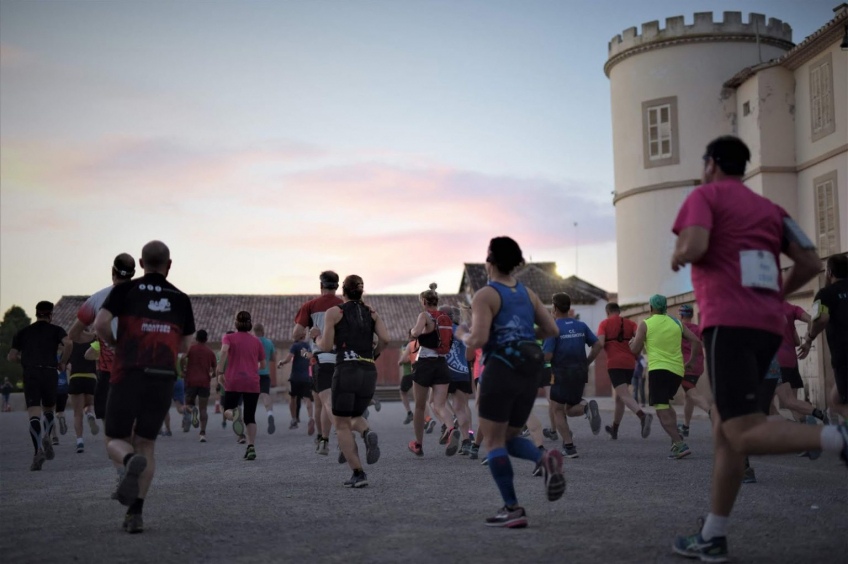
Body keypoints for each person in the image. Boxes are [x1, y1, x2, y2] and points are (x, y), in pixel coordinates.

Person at [669, 136, 847, 561]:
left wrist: (678, 254)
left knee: (740, 430)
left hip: (728, 323)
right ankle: (714, 535)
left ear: (711, 163)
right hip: (765, 326)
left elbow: (694, 246)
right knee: (726, 433)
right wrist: (772, 296)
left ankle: (837, 438)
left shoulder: (705, 195)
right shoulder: (772, 210)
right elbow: (811, 262)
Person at [455, 236, 564, 528]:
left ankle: (512, 507)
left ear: (489, 262)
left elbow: (478, 339)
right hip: (529, 370)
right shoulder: (528, 294)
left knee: (491, 440)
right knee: (509, 438)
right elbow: (552, 328)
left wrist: (461, 334)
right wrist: (523, 335)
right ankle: (544, 460)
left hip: (500, 369)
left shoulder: (485, 295)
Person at [93, 240, 195, 534]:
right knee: (147, 443)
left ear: (140, 263)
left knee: (114, 437)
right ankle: (135, 513)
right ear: (169, 265)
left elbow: (100, 324)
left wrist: (115, 344)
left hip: (128, 371)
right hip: (162, 375)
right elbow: (186, 345)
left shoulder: (123, 290)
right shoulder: (181, 298)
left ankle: (127, 460)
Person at [316, 275, 389, 487]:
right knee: (355, 416)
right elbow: (385, 339)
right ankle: (367, 431)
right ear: (361, 291)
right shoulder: (372, 313)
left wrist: (315, 338)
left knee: (340, 423)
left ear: (343, 291)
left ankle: (358, 473)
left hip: (346, 370)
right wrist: (373, 355)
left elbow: (327, 345)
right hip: (368, 370)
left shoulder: (335, 312)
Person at [629, 294, 701, 459]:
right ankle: (675, 440)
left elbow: (635, 350)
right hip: (677, 371)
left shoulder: (646, 324)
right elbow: (696, 341)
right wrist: (690, 362)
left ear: (651, 307)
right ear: (665, 307)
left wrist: (632, 343)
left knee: (661, 410)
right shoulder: (677, 322)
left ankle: (679, 444)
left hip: (659, 371)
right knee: (666, 405)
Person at [69, 253, 136, 424]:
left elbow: (74, 334)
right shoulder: (145, 297)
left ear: (112, 271)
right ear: (133, 273)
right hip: (137, 370)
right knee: (135, 428)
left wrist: (94, 337)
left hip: (109, 373)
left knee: (111, 431)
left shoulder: (98, 298)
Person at [8, 301, 72, 470]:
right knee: (49, 409)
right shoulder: (56, 330)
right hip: (50, 372)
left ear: (36, 313)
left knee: (34, 414)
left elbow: (12, 356)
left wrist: (25, 360)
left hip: (31, 373)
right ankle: (48, 436)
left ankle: (37, 452)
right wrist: (63, 362)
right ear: (51, 314)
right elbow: (69, 343)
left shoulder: (23, 333)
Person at [543, 293, 603, 459]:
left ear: (554, 308)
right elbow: (598, 344)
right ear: (569, 307)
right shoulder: (581, 325)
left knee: (556, 409)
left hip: (561, 373)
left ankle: (569, 447)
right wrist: (587, 361)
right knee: (570, 408)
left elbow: (547, 356)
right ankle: (586, 408)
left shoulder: (553, 328)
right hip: (580, 372)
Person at [293, 271, 343, 456]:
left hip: (321, 358)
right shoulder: (344, 306)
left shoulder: (310, 306)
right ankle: (324, 440)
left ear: (320, 285)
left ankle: (338, 435)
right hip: (342, 359)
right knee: (330, 400)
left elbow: (296, 334)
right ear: (337, 286)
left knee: (323, 402)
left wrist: (310, 332)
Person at [407, 283, 457, 457]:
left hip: (425, 363)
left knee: (420, 407)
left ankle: (418, 444)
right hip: (441, 364)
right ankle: (451, 429)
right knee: (440, 404)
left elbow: (416, 332)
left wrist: (413, 331)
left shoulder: (425, 315)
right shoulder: (444, 317)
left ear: (424, 301)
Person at [800, 254, 848, 421]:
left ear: (829, 273)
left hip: (844, 357)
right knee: (834, 402)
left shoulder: (825, 294)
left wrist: (809, 339)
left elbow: (820, 318)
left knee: (841, 403)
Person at [597, 303, 652, 440]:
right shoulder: (631, 323)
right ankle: (614, 429)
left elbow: (600, 343)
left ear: (607, 311)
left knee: (624, 394)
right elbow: (640, 339)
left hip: (614, 364)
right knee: (619, 397)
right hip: (629, 363)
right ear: (619, 311)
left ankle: (643, 417)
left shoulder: (604, 324)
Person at [218, 312, 266, 460]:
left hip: (233, 380)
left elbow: (224, 351)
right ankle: (251, 447)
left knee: (227, 410)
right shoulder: (257, 341)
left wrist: (220, 371)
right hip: (252, 382)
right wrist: (252, 370)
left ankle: (234, 416)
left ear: (236, 324)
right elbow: (263, 364)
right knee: (250, 417)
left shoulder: (229, 337)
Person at [774, 301, 828, 424]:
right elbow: (810, 322)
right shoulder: (791, 308)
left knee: (785, 401)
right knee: (792, 402)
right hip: (791, 360)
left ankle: (820, 415)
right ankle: (800, 426)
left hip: (777, 361)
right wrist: (807, 338)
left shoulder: (764, 308)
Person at [440, 305, 475, 456]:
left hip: (444, 372)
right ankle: (467, 441)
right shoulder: (461, 330)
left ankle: (449, 426)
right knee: (460, 407)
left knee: (436, 402)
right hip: (462, 371)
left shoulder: (440, 330)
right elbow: (469, 353)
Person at [677, 304, 713, 438]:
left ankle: (711, 413)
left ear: (680, 315)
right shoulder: (699, 329)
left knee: (692, 393)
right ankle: (685, 426)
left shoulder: (678, 328)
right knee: (689, 396)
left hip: (686, 366)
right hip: (698, 366)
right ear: (691, 315)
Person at [182, 330, 217, 442]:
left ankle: (193, 412)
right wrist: (211, 375)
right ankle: (202, 433)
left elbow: (182, 358)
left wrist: (183, 370)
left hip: (191, 382)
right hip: (204, 383)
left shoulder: (191, 349)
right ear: (206, 339)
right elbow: (215, 371)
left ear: (196, 338)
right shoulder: (210, 352)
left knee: (188, 404)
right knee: (203, 409)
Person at [67, 334, 100, 452]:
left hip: (76, 377)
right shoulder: (94, 339)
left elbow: (68, 365)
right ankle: (90, 414)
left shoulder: (70, 342)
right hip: (91, 377)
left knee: (77, 413)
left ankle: (80, 441)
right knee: (89, 404)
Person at [278, 336, 314, 432]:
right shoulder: (307, 346)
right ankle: (310, 417)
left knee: (293, 397)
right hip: (306, 377)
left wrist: (281, 362)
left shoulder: (295, 346)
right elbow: (310, 359)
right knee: (307, 398)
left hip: (295, 377)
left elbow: (289, 358)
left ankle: (294, 419)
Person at [253, 323, 277, 435]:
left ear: (254, 331)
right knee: (265, 395)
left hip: (252, 374)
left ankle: (249, 421)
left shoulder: (251, 342)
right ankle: (270, 415)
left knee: (251, 398)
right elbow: (273, 358)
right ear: (263, 331)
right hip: (265, 373)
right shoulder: (269, 342)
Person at [398, 339, 418, 425]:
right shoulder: (420, 343)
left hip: (409, 373)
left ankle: (411, 413)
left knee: (404, 393)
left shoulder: (407, 345)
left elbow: (406, 359)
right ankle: (427, 418)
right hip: (417, 372)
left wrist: (400, 361)